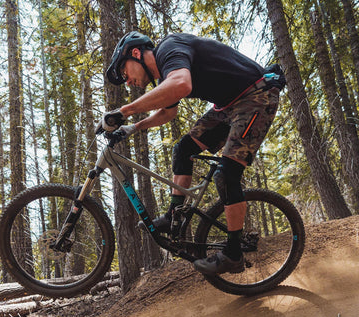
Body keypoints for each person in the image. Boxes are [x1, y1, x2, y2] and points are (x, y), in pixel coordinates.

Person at [103, 31, 285, 275]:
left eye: (125, 73)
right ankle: (173, 216)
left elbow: (181, 84)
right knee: (184, 149)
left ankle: (233, 254)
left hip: (257, 95)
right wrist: (132, 127)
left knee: (226, 173)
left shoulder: (169, 48)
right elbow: (168, 113)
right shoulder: (166, 74)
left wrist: (123, 111)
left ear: (136, 53)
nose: (128, 81)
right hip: (229, 106)